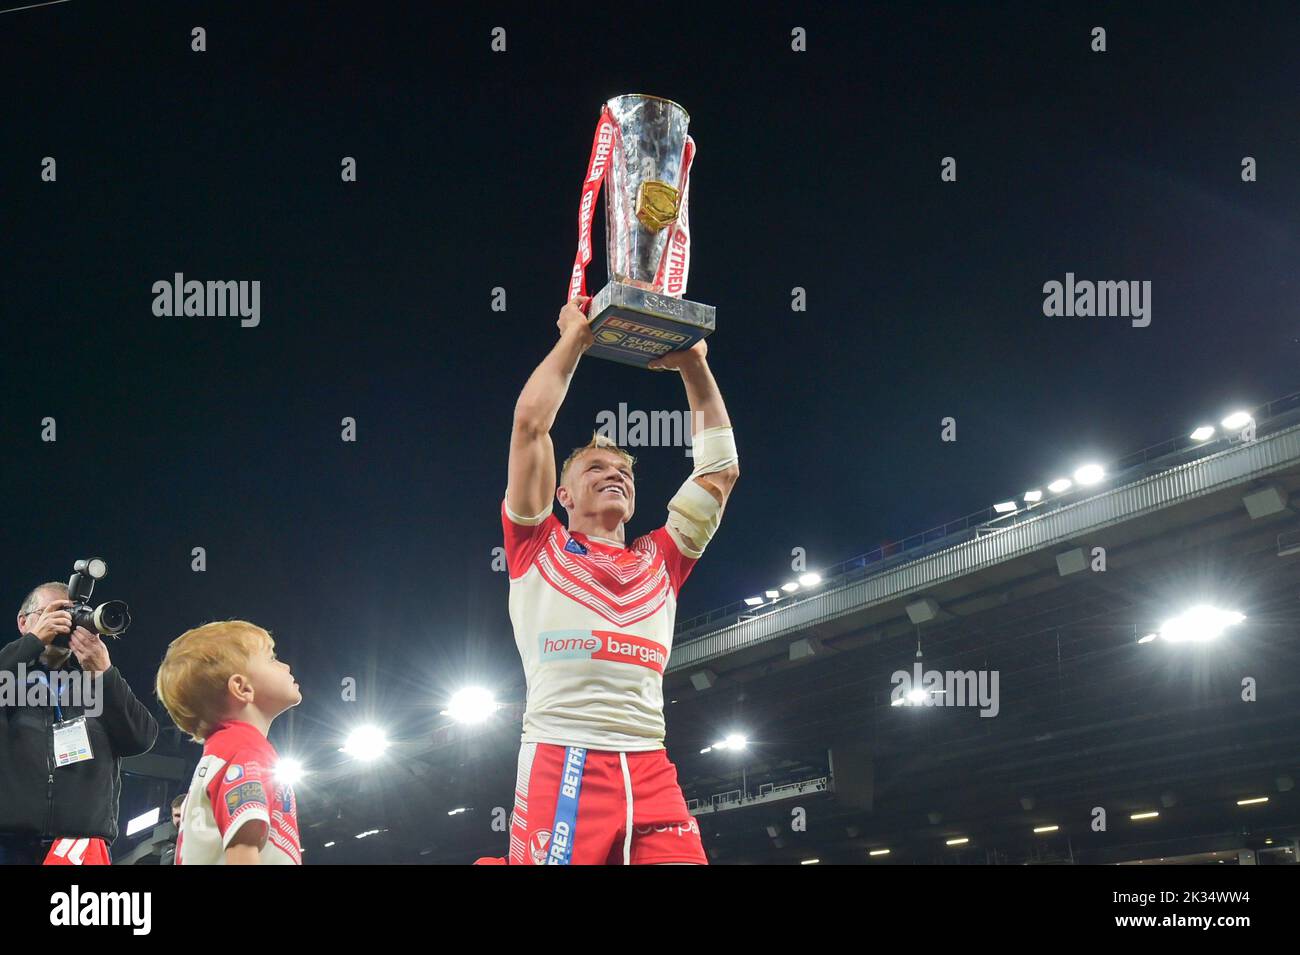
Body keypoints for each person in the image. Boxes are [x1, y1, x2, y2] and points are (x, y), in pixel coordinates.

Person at [481, 297, 739, 865]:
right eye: (596, 469)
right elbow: (530, 427)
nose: (614, 475)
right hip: (563, 759)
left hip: (649, 761)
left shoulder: (662, 559)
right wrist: (574, 338)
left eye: (623, 472)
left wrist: (695, 365)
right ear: (563, 494)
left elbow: (719, 473)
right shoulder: (536, 546)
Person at [0, 581, 158, 865]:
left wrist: (104, 673)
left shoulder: (98, 683)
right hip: (9, 843)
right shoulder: (8, 676)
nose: (65, 624)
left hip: (81, 846)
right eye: (54, 613)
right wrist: (32, 643)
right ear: (24, 622)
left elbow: (142, 739)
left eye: (72, 616)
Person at [155, 620, 303, 865]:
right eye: (271, 658)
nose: (286, 665)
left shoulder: (225, 749)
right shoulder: (245, 750)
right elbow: (242, 849)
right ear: (242, 688)